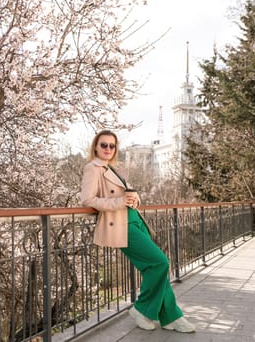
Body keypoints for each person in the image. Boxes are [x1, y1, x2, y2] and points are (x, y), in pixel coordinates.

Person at [80, 130, 195, 332]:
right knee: (160, 263)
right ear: (96, 147)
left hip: (135, 221)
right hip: (120, 225)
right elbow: (88, 200)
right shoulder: (93, 168)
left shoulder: (113, 169)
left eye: (112, 146)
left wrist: (134, 198)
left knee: (155, 268)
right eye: (104, 145)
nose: (108, 149)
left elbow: (130, 193)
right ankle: (142, 309)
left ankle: (171, 317)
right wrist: (120, 201)